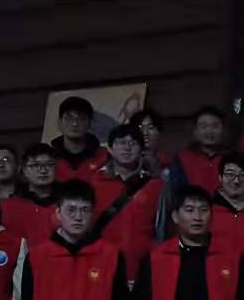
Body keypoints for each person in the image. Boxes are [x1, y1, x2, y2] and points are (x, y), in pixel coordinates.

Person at [90, 123, 164, 288]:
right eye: (121, 142)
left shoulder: (156, 186)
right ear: (110, 149)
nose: (127, 147)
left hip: (142, 270)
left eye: (133, 143)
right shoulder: (95, 183)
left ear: (142, 150)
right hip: (101, 268)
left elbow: (164, 228)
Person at [1, 143, 61, 244]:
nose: (43, 170)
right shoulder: (9, 206)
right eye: (35, 165)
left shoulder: (68, 203)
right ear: (24, 170)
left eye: (49, 165)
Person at [168, 105, 227, 193]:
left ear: (223, 130)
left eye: (215, 126)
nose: (209, 131)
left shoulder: (232, 158)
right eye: (204, 126)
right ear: (195, 131)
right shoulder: (181, 159)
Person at [52, 96, 109, 182]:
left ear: (90, 123)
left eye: (81, 119)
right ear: (59, 122)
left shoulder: (104, 157)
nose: (75, 123)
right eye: (69, 118)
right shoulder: (49, 158)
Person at [131, 107, 171, 177]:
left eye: (150, 127)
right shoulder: (123, 159)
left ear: (159, 132)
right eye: (140, 127)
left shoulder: (168, 163)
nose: (145, 133)